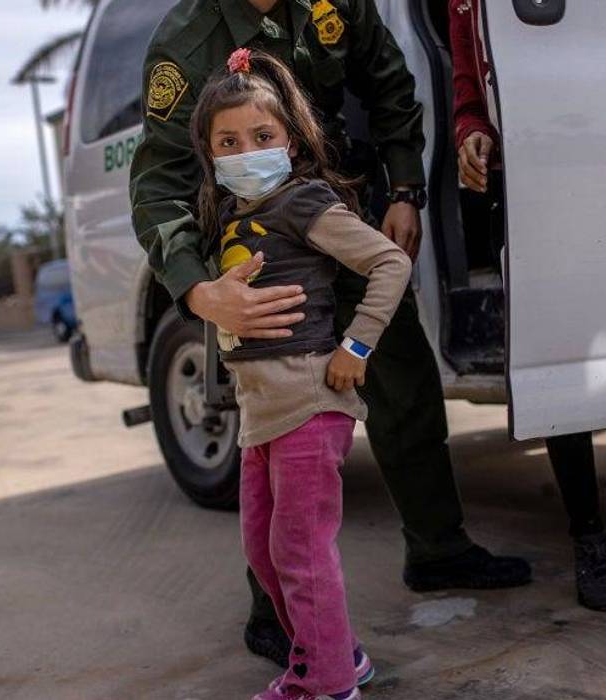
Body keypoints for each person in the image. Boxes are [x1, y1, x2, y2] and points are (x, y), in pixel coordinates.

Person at [131, 0, 532, 667]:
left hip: (339, 210)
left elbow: (388, 83)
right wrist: (202, 291)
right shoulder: (187, 37)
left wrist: (405, 189)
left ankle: (438, 548)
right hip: (254, 248)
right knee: (272, 429)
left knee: (402, 371)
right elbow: (158, 182)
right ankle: (274, 613)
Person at [192, 46, 408, 700]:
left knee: (300, 554)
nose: (245, 149)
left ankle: (325, 684)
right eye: (227, 141)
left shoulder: (302, 201)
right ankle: (341, 658)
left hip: (309, 405)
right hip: (259, 417)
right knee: (265, 555)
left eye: (262, 135)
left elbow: (389, 264)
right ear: (210, 154)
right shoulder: (232, 214)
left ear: (290, 141)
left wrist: (358, 347)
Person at [449, 0, 606, 612]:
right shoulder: (464, 3)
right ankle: (589, 536)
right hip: (531, 175)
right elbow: (470, 86)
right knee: (557, 354)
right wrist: (471, 132)